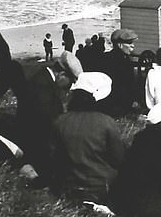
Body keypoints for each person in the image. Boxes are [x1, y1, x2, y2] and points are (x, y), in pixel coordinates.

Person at [50, 72, 125, 204]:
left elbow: (54, 157)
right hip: (101, 188)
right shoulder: (106, 122)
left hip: (68, 187)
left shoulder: (60, 121)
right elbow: (118, 159)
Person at [14, 50, 82, 182]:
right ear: (62, 74)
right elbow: (47, 124)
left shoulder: (43, 78)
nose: (69, 87)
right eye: (70, 82)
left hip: (34, 139)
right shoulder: (43, 88)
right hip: (36, 146)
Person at [96, 29, 139, 117]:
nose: (132, 46)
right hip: (119, 106)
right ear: (120, 45)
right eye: (129, 43)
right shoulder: (125, 62)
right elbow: (127, 86)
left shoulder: (105, 57)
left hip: (105, 103)